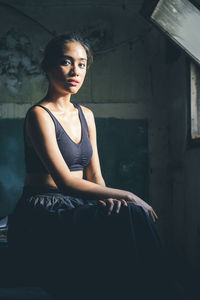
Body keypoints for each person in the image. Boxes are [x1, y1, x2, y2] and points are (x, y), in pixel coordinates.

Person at [8, 33, 167, 300]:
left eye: (81, 64)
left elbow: (95, 176)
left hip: (78, 204)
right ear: (47, 66)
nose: (75, 71)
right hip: (44, 209)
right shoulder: (39, 115)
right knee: (133, 210)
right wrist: (127, 195)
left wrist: (109, 200)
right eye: (66, 62)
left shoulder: (87, 115)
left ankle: (153, 291)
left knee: (128, 215)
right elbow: (65, 182)